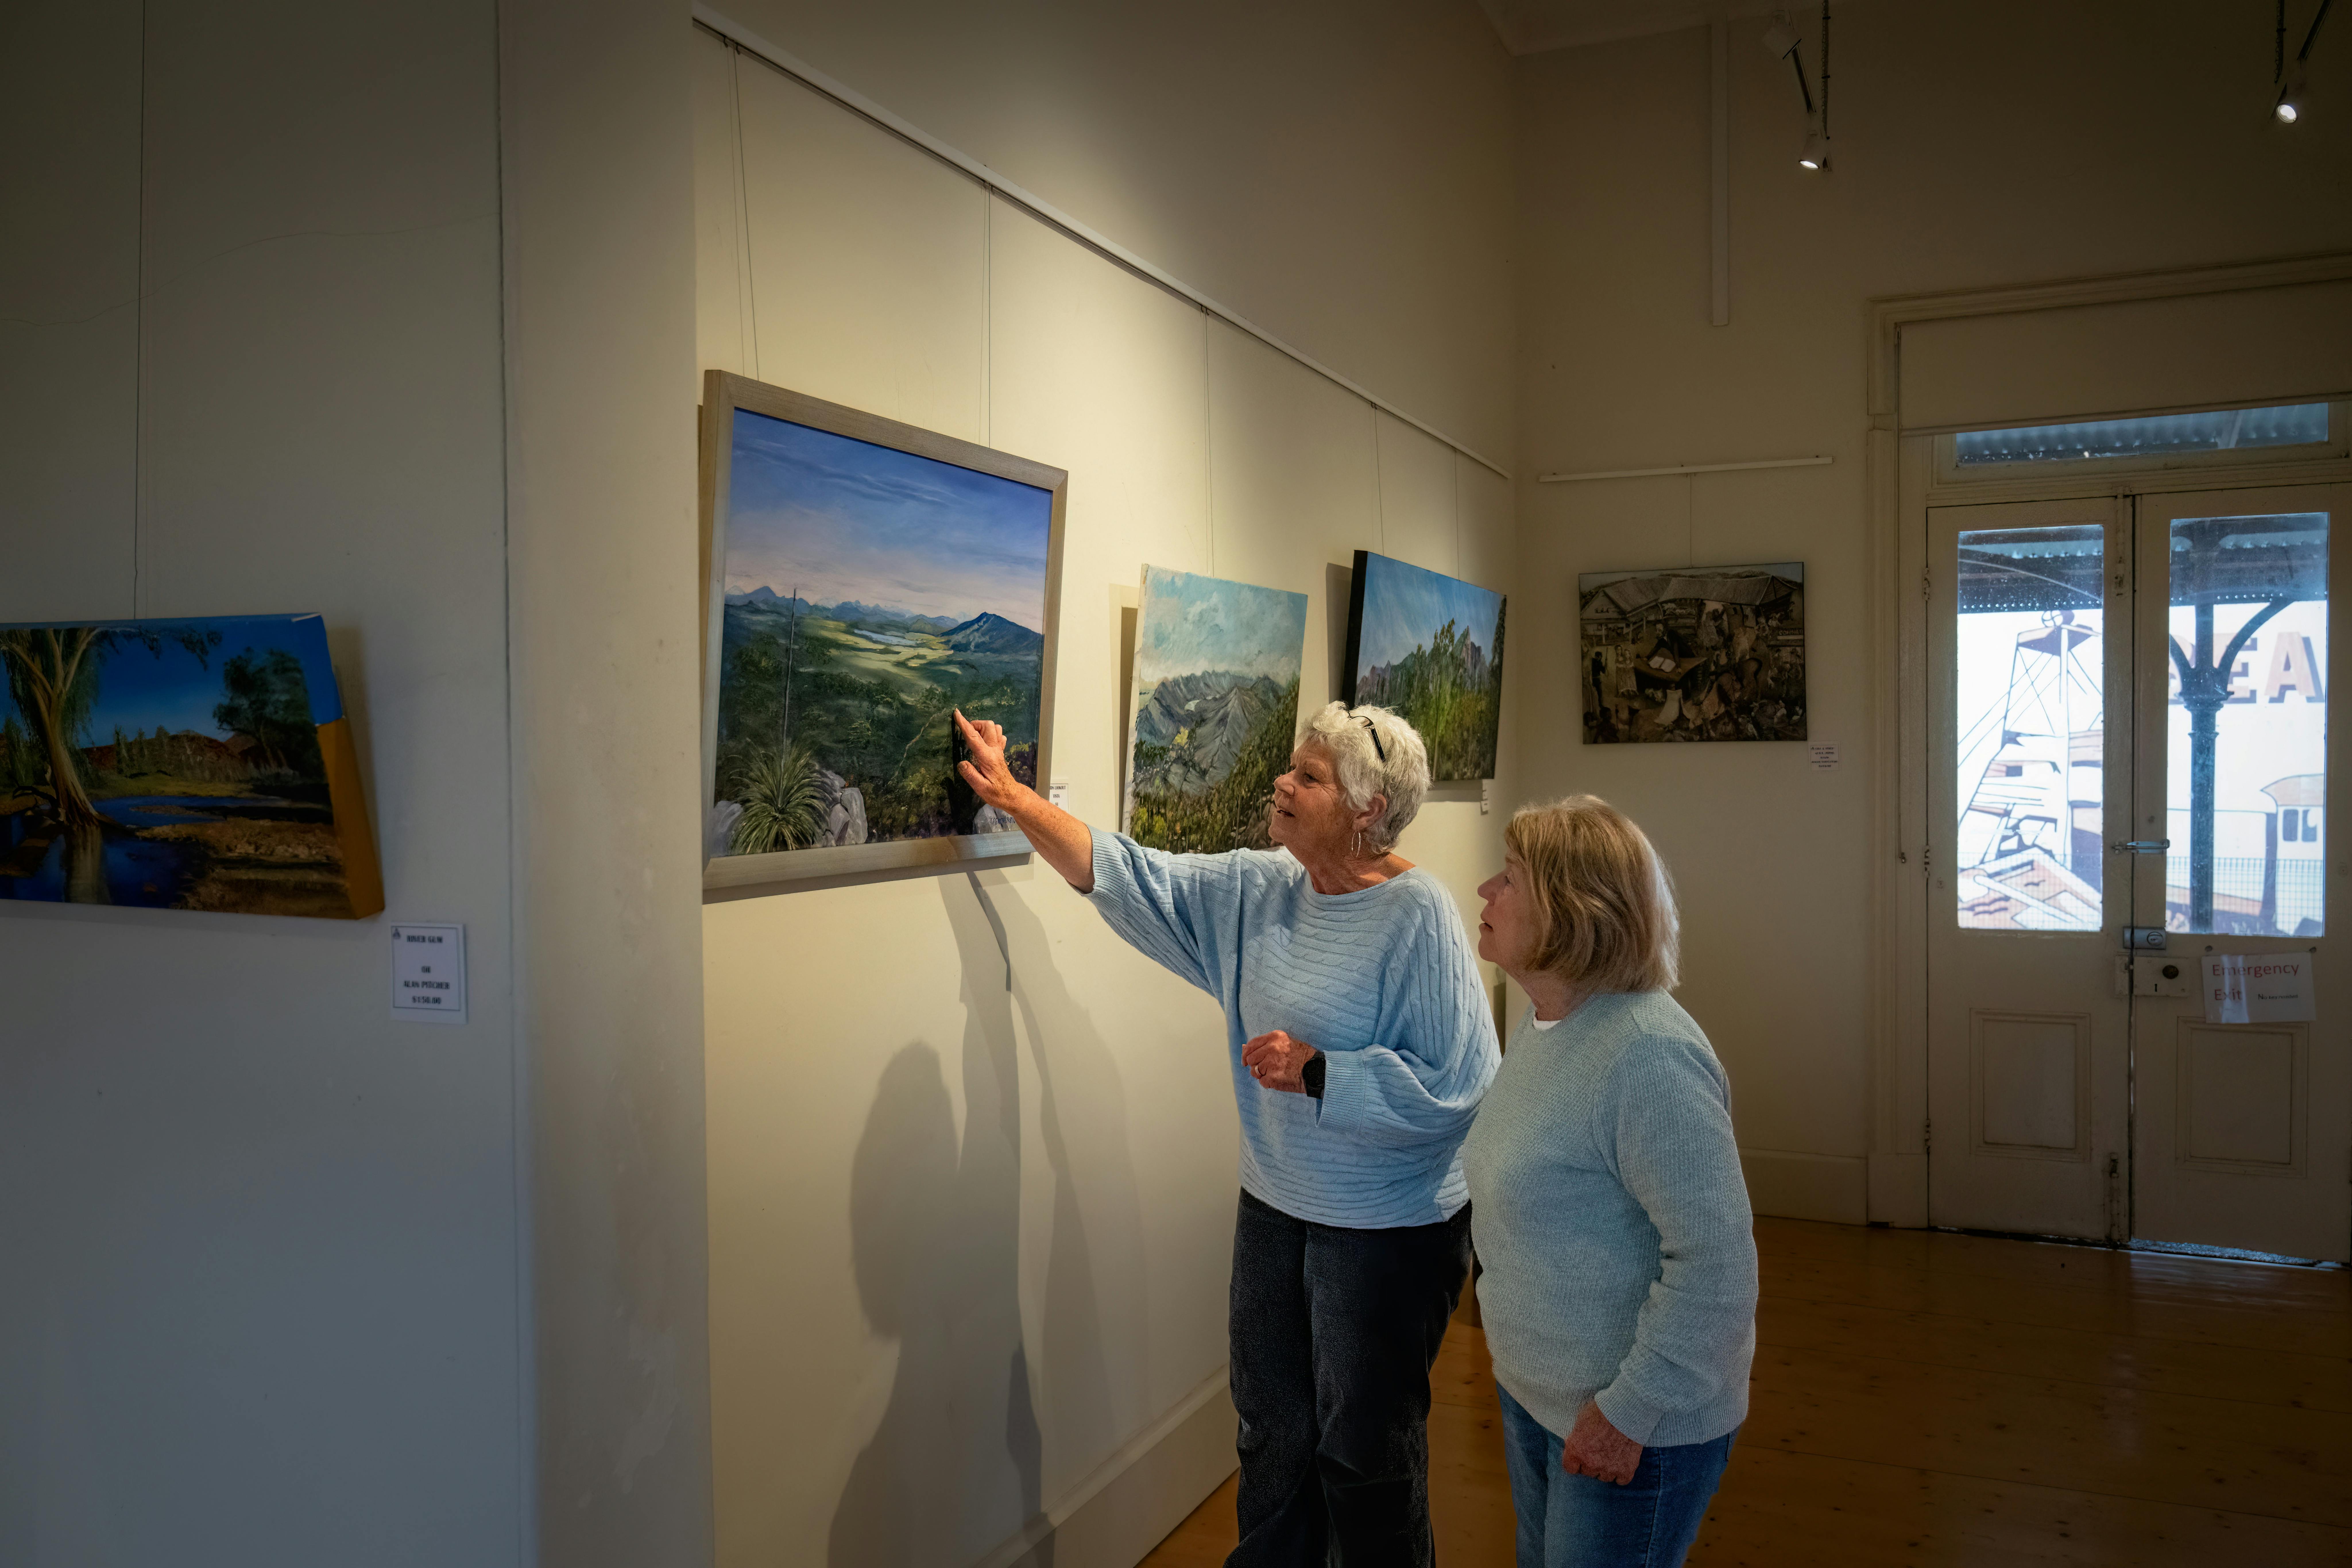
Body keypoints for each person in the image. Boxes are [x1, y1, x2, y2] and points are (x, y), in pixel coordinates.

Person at [953, 701, 1499, 1567]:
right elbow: (1129, 874)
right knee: (1272, 1435)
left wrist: (1326, 1070)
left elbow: (1466, 1085)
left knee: (1364, 1458)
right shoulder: (1259, 887)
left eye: (1309, 777)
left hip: (1389, 1232)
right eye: (1294, 765)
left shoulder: (1417, 917)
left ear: (1366, 812)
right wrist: (1018, 801)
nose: (1283, 782)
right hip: (1275, 1205)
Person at [1461, 796, 1757, 1568]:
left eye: (1510, 879)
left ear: (1571, 910)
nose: (1486, 893)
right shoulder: (1546, 1019)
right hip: (1538, 1394)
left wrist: (1627, 1414)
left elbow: (1719, 1270)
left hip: (1633, 1424)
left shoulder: (1648, 1055)